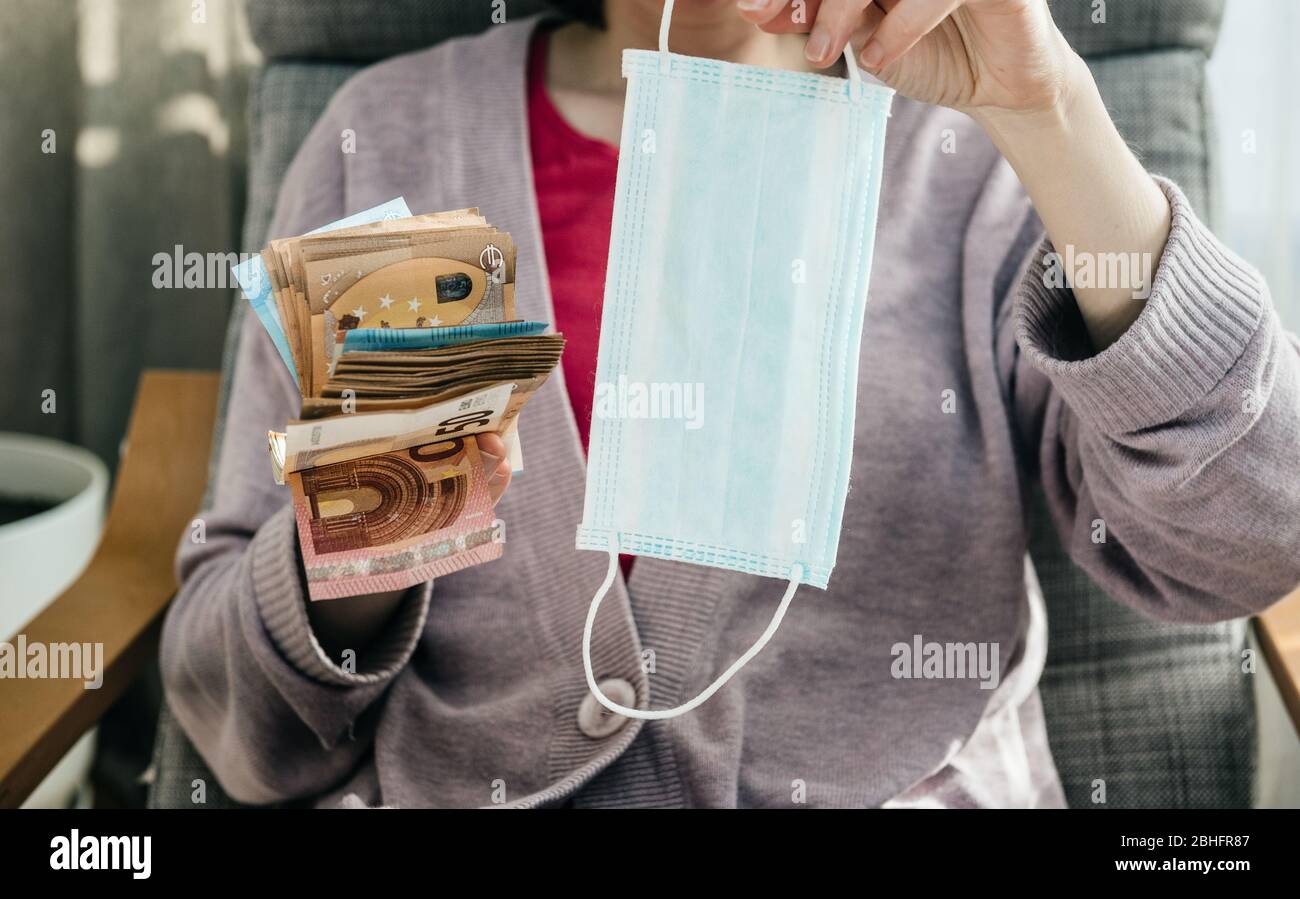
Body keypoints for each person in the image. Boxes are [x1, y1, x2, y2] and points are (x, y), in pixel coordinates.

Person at [160, 0, 1300, 808]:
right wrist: (363, 543)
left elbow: (1260, 530)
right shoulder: (389, 137)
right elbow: (241, 731)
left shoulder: (975, 154)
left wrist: (1042, 105)